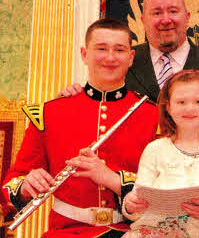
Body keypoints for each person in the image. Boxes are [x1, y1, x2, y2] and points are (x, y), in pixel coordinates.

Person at [2, 18, 159, 237]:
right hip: (65, 232)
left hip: (132, 231)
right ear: (84, 54)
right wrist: (27, 185)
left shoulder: (153, 115)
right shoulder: (49, 113)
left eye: (120, 50)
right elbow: (12, 180)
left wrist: (112, 179)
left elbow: (165, 186)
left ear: (131, 57)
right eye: (101, 48)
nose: (110, 57)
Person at [122, 69, 199, 237]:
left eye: (198, 101)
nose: (190, 108)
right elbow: (139, 196)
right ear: (169, 107)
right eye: (181, 102)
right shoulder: (155, 149)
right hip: (151, 231)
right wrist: (131, 205)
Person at [60, 0, 199, 103]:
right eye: (156, 13)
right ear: (143, 21)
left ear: (187, 17)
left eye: (173, 11)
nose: (165, 19)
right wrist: (76, 94)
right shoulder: (121, 59)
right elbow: (99, 93)